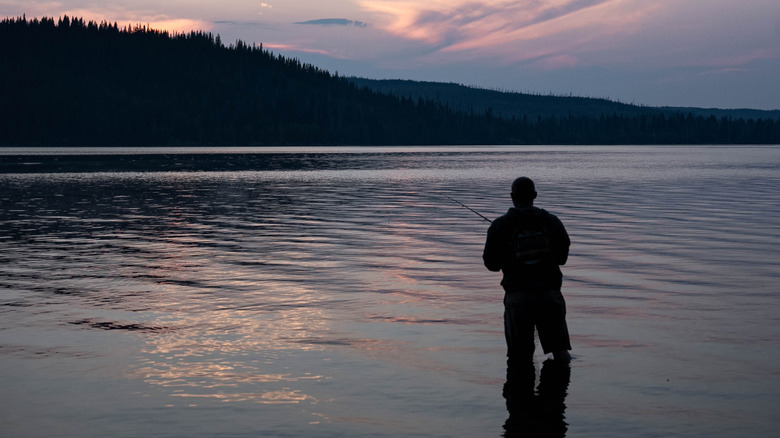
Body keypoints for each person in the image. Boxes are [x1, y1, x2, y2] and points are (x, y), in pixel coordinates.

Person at [483, 177, 572, 364]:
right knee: (560, 352)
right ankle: (560, 390)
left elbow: (491, 265)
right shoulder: (553, 222)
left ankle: (520, 391)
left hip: (518, 298)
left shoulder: (499, 226)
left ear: (512, 196)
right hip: (550, 295)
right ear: (535, 196)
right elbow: (562, 259)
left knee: (519, 357)